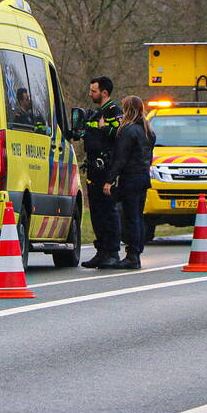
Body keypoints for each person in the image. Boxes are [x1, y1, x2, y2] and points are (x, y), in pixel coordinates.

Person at [104, 95, 156, 269]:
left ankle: (132, 254)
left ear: (127, 109)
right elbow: (149, 157)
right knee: (138, 217)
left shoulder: (128, 131)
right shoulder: (148, 131)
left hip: (131, 177)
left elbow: (121, 158)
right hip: (143, 177)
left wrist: (109, 180)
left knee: (130, 217)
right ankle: (137, 252)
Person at [81, 76, 123, 269]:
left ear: (104, 92)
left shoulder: (114, 111)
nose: (90, 94)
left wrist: (104, 128)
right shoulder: (96, 112)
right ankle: (101, 251)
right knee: (96, 212)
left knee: (108, 211)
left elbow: (119, 135)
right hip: (93, 167)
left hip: (106, 168)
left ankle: (112, 251)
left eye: (94, 91)